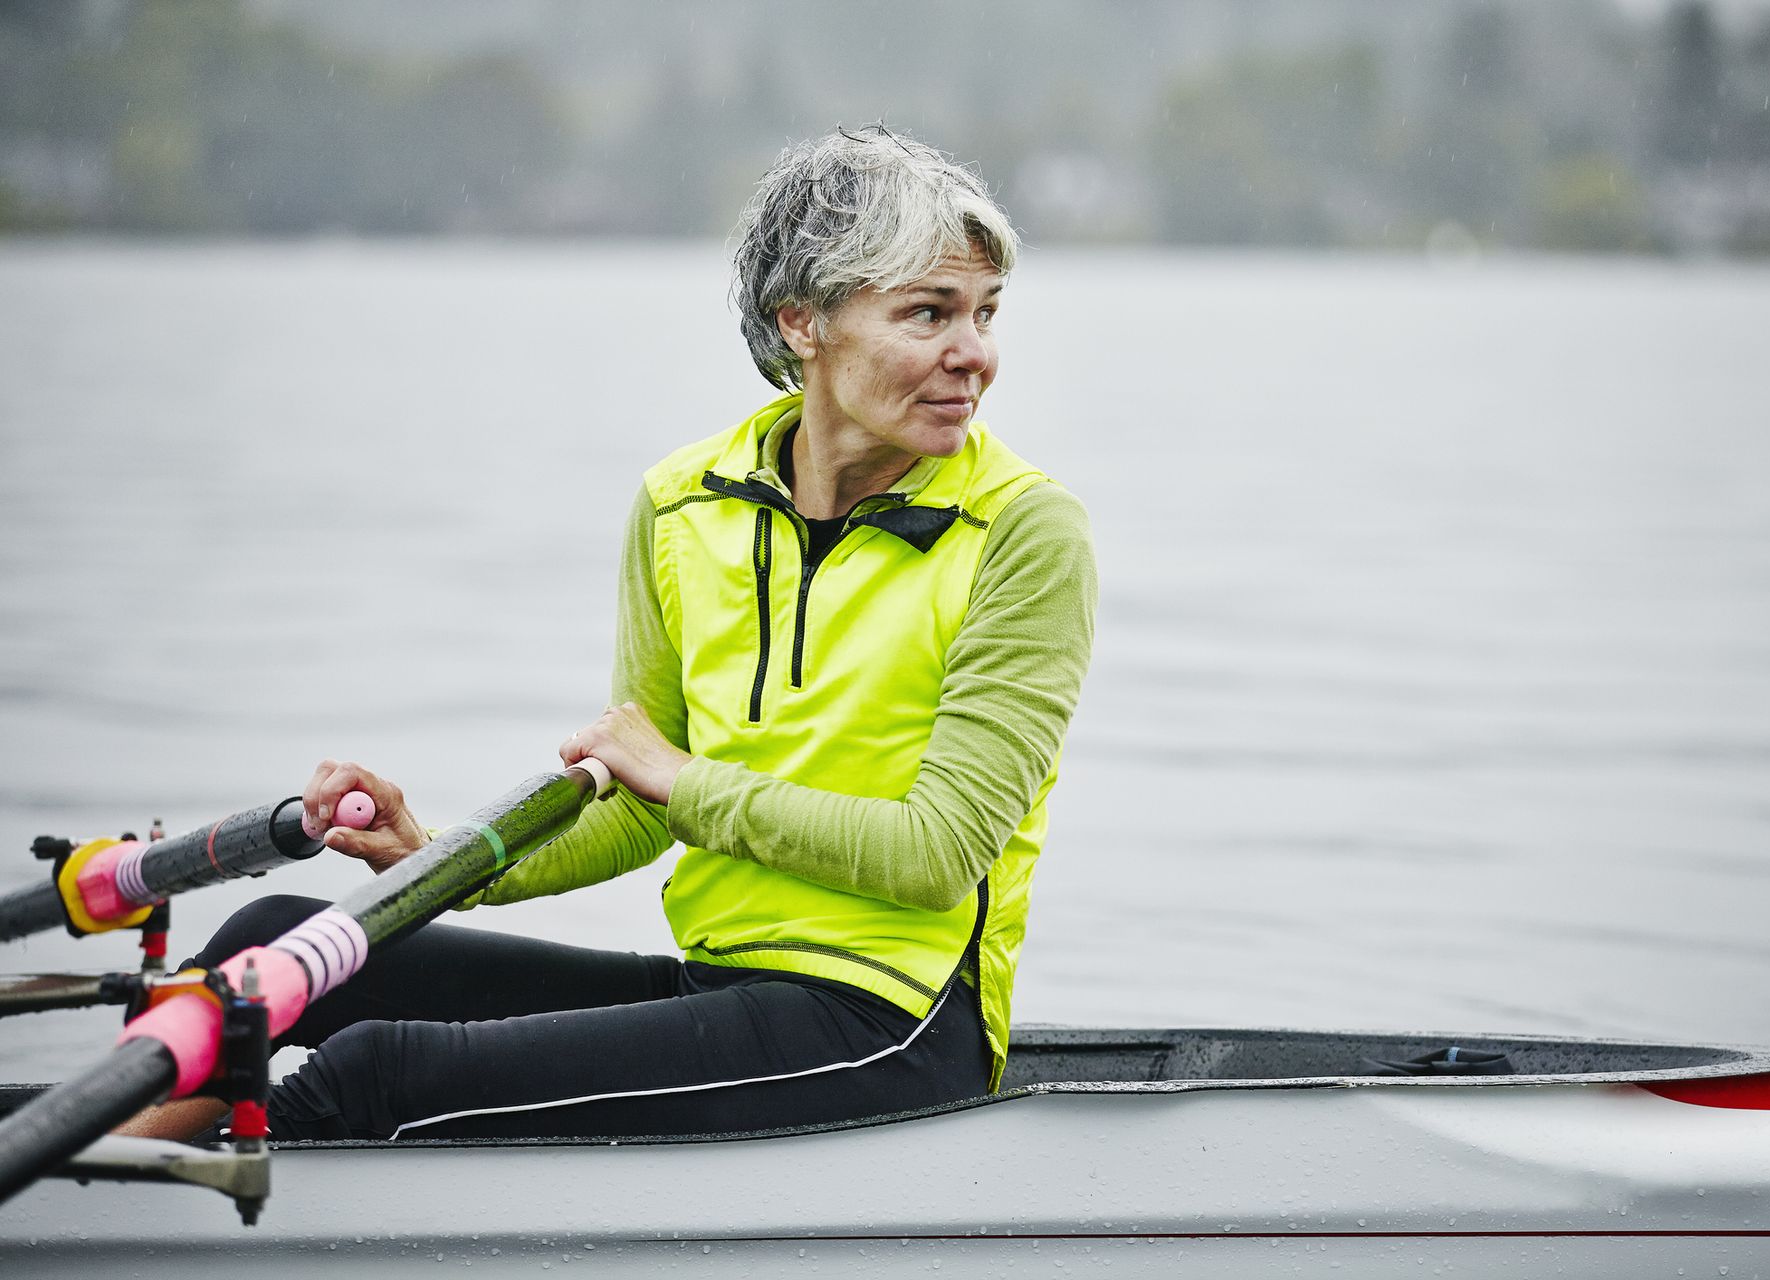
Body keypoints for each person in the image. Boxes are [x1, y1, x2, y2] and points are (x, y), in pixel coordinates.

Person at [130, 125, 1097, 1142]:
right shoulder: (686, 505)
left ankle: (116, 1206)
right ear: (803, 321)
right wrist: (440, 852)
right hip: (718, 983)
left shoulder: (1026, 531)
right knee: (268, 950)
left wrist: (684, 778)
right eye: (929, 313)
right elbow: (640, 810)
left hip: (893, 1024)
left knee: (375, 1071)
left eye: (985, 313)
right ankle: (104, 1184)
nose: (975, 354)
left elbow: (937, 854)